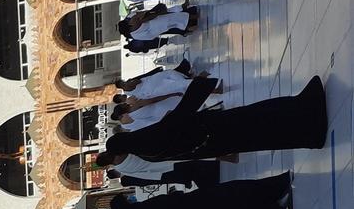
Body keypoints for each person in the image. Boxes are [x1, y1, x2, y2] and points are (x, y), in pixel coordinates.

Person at [106, 74, 328, 162]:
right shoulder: (144, 143)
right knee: (261, 117)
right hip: (214, 130)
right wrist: (196, 91)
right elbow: (174, 126)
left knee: (262, 133)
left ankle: (306, 129)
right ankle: (305, 113)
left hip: (213, 141)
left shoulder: (144, 151)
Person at [111, 174, 294, 209]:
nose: (129, 198)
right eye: (126, 199)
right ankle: (274, 195)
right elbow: (170, 206)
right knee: (236, 194)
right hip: (199, 205)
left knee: (238, 208)